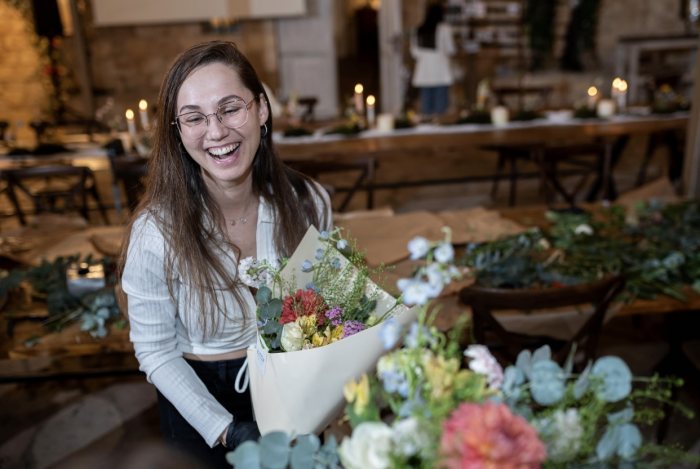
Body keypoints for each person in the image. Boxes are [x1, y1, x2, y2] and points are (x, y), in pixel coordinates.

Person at [118, 41, 332, 468]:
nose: (216, 132)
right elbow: (156, 353)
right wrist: (226, 429)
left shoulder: (309, 202)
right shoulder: (156, 231)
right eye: (194, 118)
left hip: (297, 403)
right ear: (178, 131)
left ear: (261, 110)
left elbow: (324, 319)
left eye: (231, 108)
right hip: (200, 411)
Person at [410, 2, 456, 120]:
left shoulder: (418, 29)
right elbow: (451, 49)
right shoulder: (445, 29)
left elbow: (414, 53)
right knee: (441, 111)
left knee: (426, 111)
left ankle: (428, 134)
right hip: (441, 71)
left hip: (424, 72)